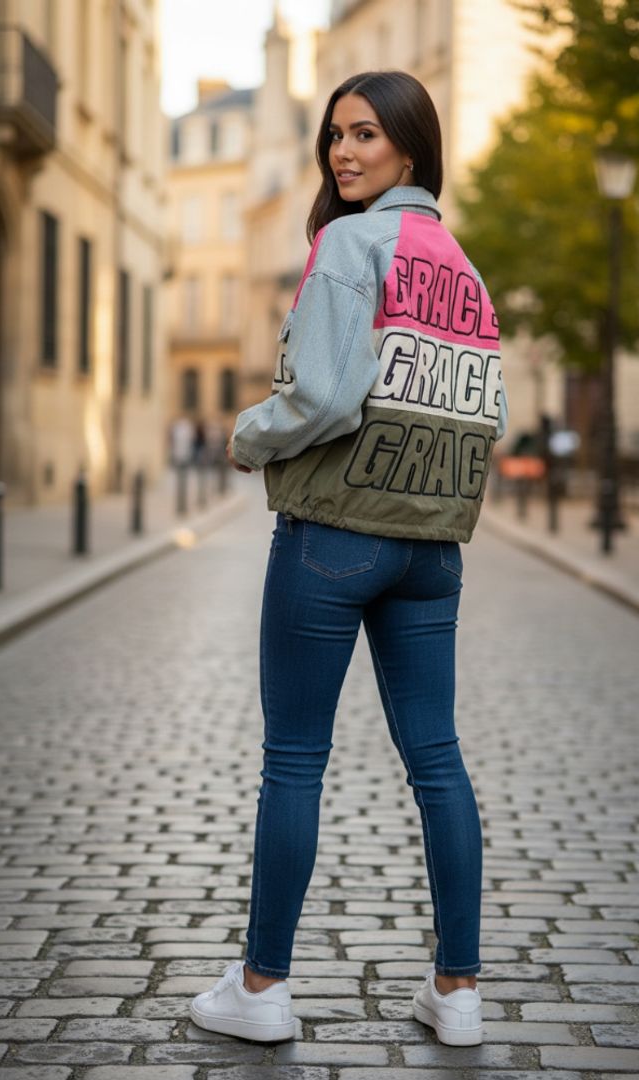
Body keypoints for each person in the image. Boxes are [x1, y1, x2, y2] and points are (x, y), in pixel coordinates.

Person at [189, 70, 508, 1048]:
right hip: (431, 552)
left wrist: (248, 435)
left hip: (334, 536)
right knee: (438, 760)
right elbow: (487, 411)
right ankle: (458, 990)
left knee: (294, 760)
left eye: (366, 134)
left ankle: (261, 987)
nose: (343, 152)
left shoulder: (348, 244)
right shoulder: (463, 267)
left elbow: (324, 399)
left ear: (410, 148)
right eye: (335, 134)